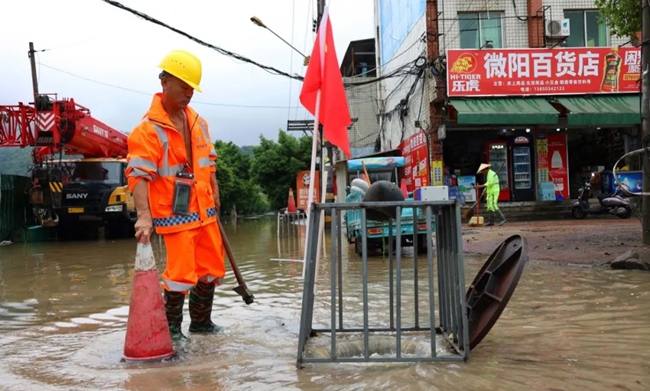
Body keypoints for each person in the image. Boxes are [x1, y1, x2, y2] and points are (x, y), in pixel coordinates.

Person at [125, 49, 225, 341]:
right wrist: (144, 216)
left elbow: (211, 162)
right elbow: (138, 175)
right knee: (180, 275)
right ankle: (171, 332)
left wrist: (216, 193)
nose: (189, 93)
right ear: (164, 82)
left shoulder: (198, 122)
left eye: (192, 88)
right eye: (183, 86)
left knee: (211, 270)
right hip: (176, 216)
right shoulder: (147, 131)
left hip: (206, 213)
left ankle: (201, 323)